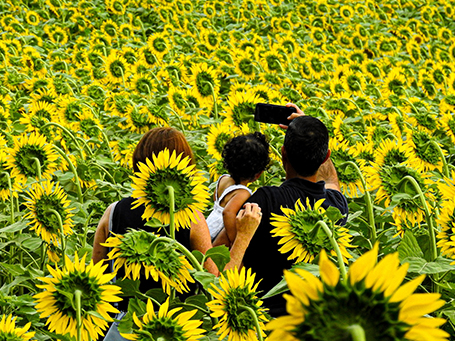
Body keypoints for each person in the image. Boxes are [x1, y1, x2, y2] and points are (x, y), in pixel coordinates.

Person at [92, 127, 262, 297]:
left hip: (122, 319)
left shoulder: (113, 211)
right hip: (177, 319)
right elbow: (215, 285)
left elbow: (98, 276)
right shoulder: (191, 219)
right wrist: (243, 237)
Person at [236, 105, 349, 317]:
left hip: (263, 323)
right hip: (311, 323)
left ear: (283, 154)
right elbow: (332, 180)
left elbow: (229, 268)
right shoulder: (335, 208)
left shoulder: (263, 201)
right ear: (326, 157)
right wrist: (310, 129)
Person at [206, 132, 270, 247]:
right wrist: (234, 239)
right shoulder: (242, 193)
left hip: (208, 225)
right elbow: (228, 212)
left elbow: (216, 198)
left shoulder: (223, 179)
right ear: (258, 174)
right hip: (216, 233)